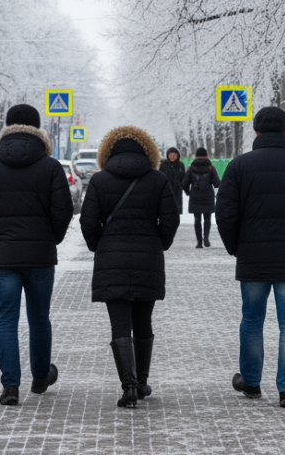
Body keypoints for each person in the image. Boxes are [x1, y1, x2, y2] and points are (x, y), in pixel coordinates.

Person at [215, 106, 285, 409]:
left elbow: (225, 213)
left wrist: (235, 247)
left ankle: (251, 382)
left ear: (255, 132)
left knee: (252, 320)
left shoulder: (239, 166)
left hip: (252, 257)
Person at [0, 104, 74, 407]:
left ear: (6, 128)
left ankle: (10, 386)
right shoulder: (51, 167)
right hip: (40, 254)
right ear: (39, 130)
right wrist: (50, 238)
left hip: (4, 257)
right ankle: (40, 377)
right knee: (39, 317)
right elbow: (63, 210)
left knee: (6, 319)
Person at [80, 126, 180, 409]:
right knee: (143, 321)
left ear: (107, 153)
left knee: (119, 323)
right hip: (148, 258)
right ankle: (143, 381)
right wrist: (158, 243)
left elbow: (88, 222)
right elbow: (170, 220)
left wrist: (100, 245)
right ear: (148, 151)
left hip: (111, 260)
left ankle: (129, 387)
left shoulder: (100, 182)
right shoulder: (158, 179)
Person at [181, 146, 220, 248]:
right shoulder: (211, 168)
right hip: (208, 195)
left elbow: (184, 183)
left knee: (197, 219)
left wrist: (188, 192)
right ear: (206, 156)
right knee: (207, 218)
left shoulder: (191, 168)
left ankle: (199, 242)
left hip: (195, 195)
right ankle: (206, 238)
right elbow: (217, 183)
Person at [159, 147, 186, 214]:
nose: (172, 157)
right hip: (165, 190)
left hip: (177, 191)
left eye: (174, 156)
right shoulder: (163, 165)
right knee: (166, 210)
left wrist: (181, 186)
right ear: (168, 155)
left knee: (176, 210)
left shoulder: (180, 165)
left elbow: (183, 177)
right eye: (171, 155)